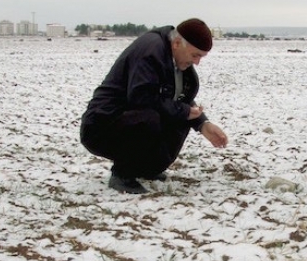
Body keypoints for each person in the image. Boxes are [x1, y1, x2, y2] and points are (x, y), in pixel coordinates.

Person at [80, 18, 228, 194]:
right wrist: (184, 111)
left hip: (127, 119)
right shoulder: (151, 51)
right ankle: (122, 174)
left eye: (201, 57)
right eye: (195, 55)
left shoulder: (176, 59)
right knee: (150, 118)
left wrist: (202, 124)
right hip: (100, 126)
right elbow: (140, 98)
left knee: (179, 116)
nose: (197, 63)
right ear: (177, 43)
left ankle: (147, 169)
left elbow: (182, 101)